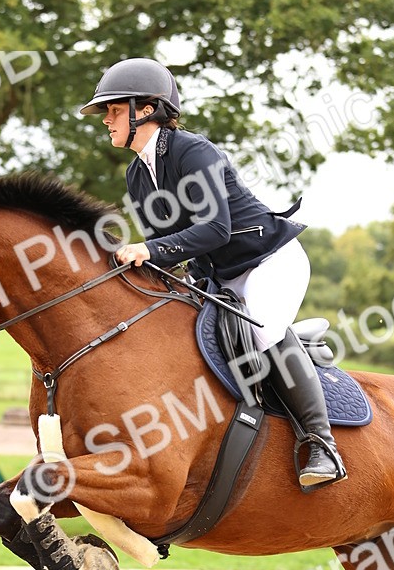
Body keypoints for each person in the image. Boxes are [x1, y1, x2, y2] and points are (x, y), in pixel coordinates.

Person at [79, 57, 346, 488]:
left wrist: (146, 249)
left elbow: (215, 228)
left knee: (257, 334)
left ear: (146, 109)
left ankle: (321, 443)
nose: (105, 119)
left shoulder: (192, 150)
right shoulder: (137, 175)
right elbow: (167, 251)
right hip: (220, 276)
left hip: (269, 261)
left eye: (113, 109)